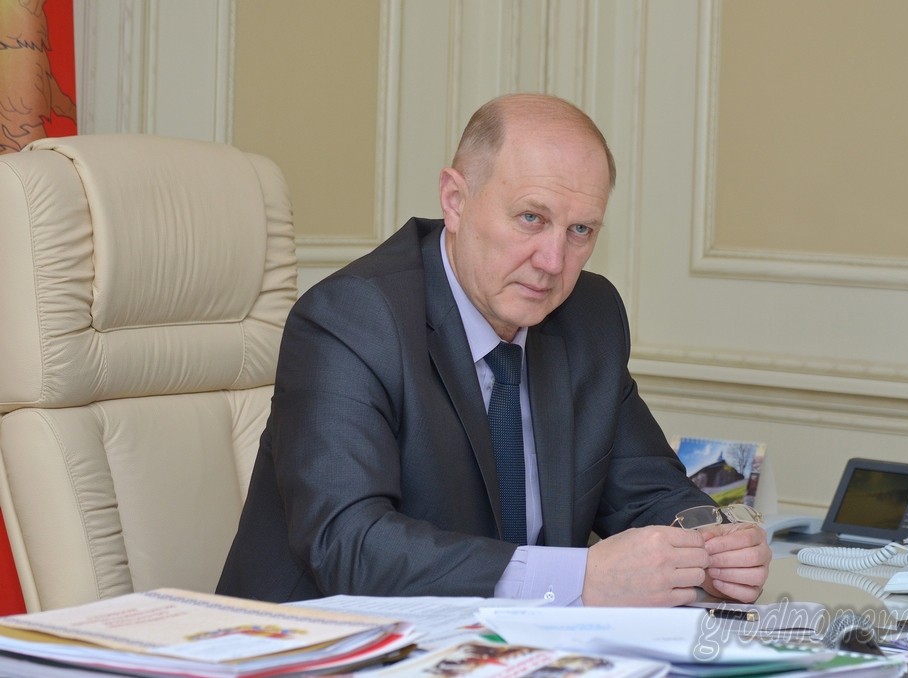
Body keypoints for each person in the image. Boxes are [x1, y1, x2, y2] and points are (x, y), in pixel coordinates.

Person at [218, 93, 770, 607]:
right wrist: (580, 578)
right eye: (532, 218)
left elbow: (647, 491)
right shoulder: (351, 320)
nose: (553, 261)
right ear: (455, 201)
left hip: (515, 649)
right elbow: (349, 546)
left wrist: (714, 546)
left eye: (580, 230)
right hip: (322, 645)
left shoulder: (589, 316)